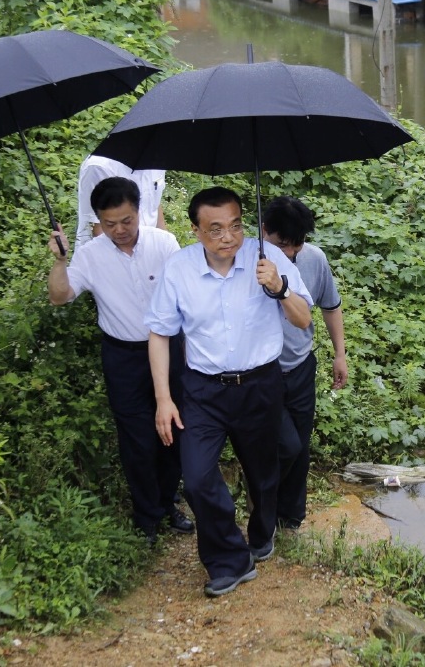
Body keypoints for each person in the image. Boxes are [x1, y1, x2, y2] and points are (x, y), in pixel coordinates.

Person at [146, 186, 314, 597]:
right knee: (198, 477)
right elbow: (159, 334)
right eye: (216, 229)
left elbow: (303, 318)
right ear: (196, 230)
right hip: (203, 390)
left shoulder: (266, 258)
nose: (229, 238)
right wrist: (164, 399)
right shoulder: (179, 268)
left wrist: (280, 289)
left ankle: (261, 534)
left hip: (260, 385)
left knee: (264, 474)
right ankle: (228, 560)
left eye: (236, 226)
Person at [47, 176, 193, 545]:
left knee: (174, 430)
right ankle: (146, 517)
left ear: (138, 211)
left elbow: (187, 298)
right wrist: (60, 262)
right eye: (109, 224)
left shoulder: (165, 244)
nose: (120, 230)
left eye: (126, 221)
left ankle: (166, 504)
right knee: (137, 439)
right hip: (123, 356)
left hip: (171, 349)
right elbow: (60, 296)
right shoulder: (91, 254)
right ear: (98, 219)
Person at [261, 197, 348, 531]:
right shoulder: (248, 262)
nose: (291, 254)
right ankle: (262, 503)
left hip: (299, 366)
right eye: (283, 246)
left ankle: (290, 516)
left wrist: (339, 354)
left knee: (300, 445)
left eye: (297, 246)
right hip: (261, 371)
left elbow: (330, 306)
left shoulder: (313, 259)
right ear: (264, 231)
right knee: (283, 444)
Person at [75, 155, 167, 250]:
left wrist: (164, 245)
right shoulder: (99, 166)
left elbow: (155, 205)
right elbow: (98, 228)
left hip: (148, 251)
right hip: (104, 254)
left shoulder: (157, 160)